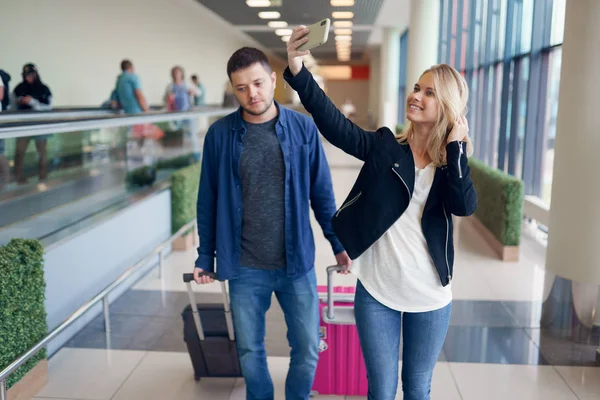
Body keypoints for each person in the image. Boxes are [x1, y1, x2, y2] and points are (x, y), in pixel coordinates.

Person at [285, 27, 477, 400]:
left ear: (448, 107)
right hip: (377, 291)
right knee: (381, 390)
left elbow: (463, 205)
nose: (415, 96)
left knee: (418, 388)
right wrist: (299, 70)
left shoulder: (451, 163)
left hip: (431, 295)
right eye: (417, 87)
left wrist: (455, 150)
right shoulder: (386, 147)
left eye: (429, 92)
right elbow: (336, 126)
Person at [192, 47, 350, 400]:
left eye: (258, 83)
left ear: (274, 80)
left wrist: (338, 243)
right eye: (242, 88)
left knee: (309, 348)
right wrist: (206, 256)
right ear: (234, 90)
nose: (252, 94)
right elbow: (208, 201)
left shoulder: (303, 128)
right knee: (250, 351)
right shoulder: (219, 136)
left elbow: (321, 193)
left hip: (296, 264)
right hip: (244, 265)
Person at [12, 63, 53, 184]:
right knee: (19, 152)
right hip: (23, 125)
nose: (27, 78)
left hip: (40, 125)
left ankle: (43, 178)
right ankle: (18, 178)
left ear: (35, 75)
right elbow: (11, 105)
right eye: (25, 75)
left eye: (30, 75)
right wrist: (19, 102)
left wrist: (33, 102)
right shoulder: (19, 88)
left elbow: (49, 107)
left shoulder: (44, 89)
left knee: (42, 153)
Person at [164, 66, 200, 161]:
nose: (176, 74)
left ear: (181, 74)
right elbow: (164, 99)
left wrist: (192, 92)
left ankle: (196, 155)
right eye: (174, 73)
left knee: (192, 134)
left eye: (178, 72)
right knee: (178, 135)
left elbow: (198, 92)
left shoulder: (187, 84)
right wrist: (168, 96)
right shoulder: (170, 86)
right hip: (176, 114)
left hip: (188, 113)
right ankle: (179, 158)